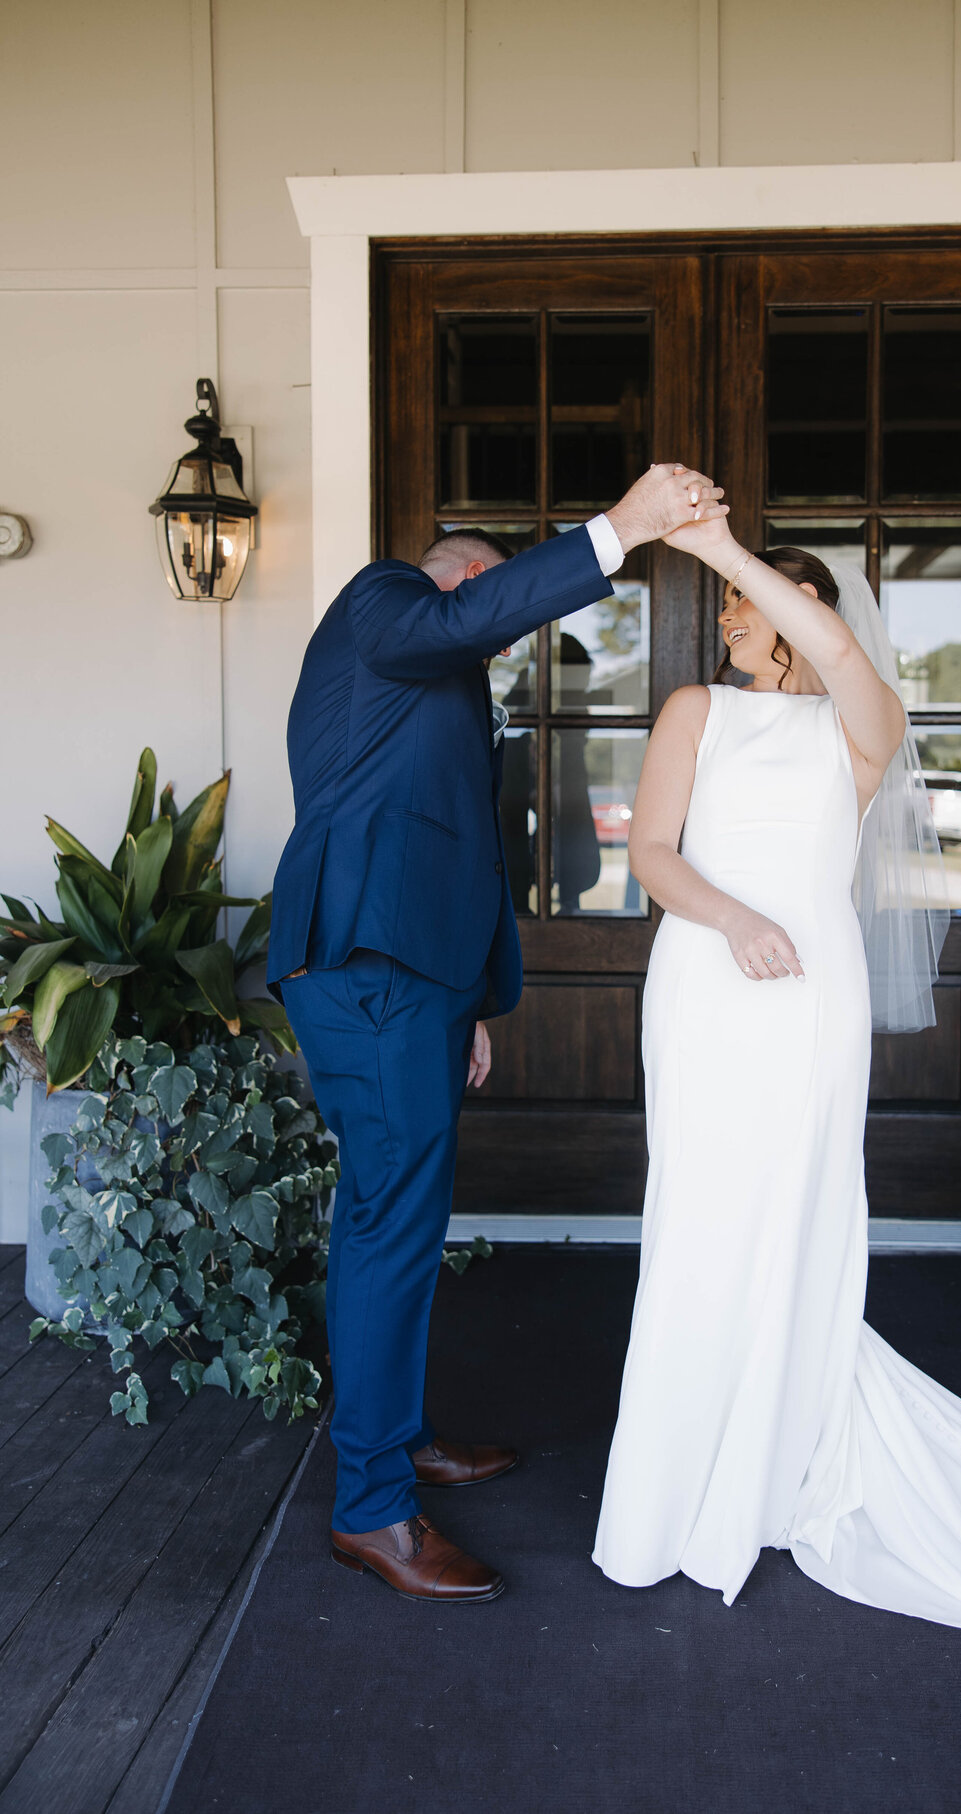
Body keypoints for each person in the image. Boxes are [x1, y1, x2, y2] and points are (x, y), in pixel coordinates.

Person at [592, 521, 961, 1706]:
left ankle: (772, 1466)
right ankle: (675, 1487)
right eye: (722, 599)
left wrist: (734, 552)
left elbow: (844, 661)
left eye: (746, 602)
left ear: (810, 605)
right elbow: (654, 856)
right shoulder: (691, 712)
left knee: (792, 1217)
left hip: (811, 1001)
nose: (727, 615)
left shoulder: (860, 728)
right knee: (699, 1223)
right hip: (709, 988)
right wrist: (729, 917)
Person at [267, 463, 728, 1605]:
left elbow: (462, 845)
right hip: (368, 966)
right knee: (388, 1221)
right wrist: (620, 529)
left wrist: (472, 997)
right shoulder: (383, 600)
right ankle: (372, 1507)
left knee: (402, 1223)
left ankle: (395, 1434)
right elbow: (472, 620)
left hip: (412, 976)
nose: (505, 639)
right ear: (467, 575)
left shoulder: (429, 679)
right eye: (500, 607)